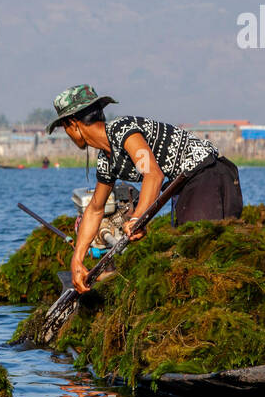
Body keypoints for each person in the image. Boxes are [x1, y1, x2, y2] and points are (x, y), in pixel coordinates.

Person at [46, 84, 242, 293]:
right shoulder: (106, 160)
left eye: (64, 128)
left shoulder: (123, 131)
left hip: (209, 173)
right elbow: (95, 208)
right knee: (189, 257)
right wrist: (77, 259)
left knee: (201, 257)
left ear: (73, 124)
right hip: (184, 186)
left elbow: (153, 174)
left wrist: (136, 218)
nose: (67, 133)